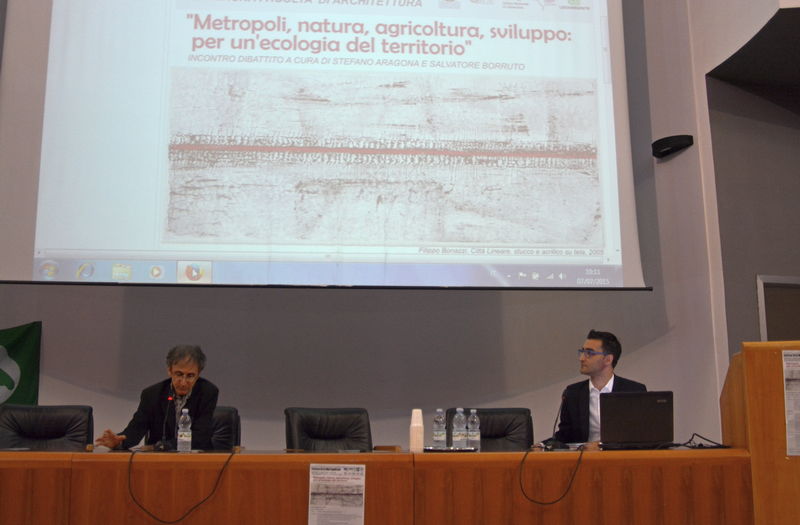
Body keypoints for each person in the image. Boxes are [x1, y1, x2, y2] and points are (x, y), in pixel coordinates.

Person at [95, 345, 218, 450]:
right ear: (169, 370)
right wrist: (119, 442)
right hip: (158, 459)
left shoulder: (208, 392)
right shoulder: (152, 394)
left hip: (196, 459)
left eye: (190, 376)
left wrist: (164, 446)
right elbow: (136, 429)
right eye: (179, 374)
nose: (183, 382)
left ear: (198, 374)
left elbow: (200, 435)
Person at [551, 330, 646, 445]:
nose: (582, 358)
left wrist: (602, 445)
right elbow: (565, 435)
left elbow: (639, 435)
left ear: (608, 359)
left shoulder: (633, 391)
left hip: (621, 455)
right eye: (582, 352)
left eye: (589, 353)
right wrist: (542, 446)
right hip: (584, 455)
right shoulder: (573, 393)